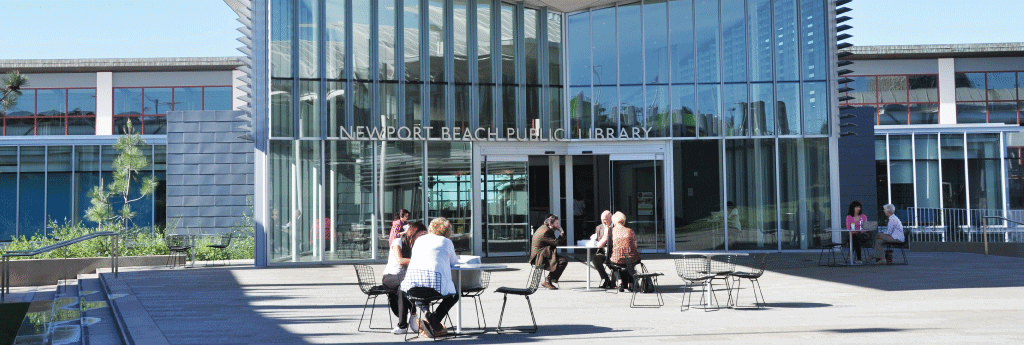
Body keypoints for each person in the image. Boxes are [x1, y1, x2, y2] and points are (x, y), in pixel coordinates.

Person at [401, 217, 459, 338]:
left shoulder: (419, 240)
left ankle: (426, 313)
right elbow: (454, 262)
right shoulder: (446, 242)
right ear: (447, 230)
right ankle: (435, 319)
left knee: (420, 290)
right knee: (454, 295)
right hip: (434, 287)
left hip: (412, 286)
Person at [381, 222, 427, 334]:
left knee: (402, 289)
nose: (422, 238)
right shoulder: (398, 242)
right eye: (420, 235)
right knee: (407, 283)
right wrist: (421, 261)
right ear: (414, 233)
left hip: (403, 280)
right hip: (390, 277)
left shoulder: (416, 246)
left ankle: (402, 325)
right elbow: (400, 261)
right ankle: (415, 313)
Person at [596, 211, 641, 292]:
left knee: (614, 264)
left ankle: (619, 282)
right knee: (630, 263)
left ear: (614, 221)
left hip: (616, 259)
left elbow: (599, 245)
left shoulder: (610, 231)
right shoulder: (630, 231)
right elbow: (635, 245)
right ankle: (630, 284)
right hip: (631, 258)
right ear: (623, 221)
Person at [529, 214, 568, 290]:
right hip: (539, 256)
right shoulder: (546, 232)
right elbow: (557, 243)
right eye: (556, 223)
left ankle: (549, 280)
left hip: (541, 253)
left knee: (560, 259)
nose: (558, 225)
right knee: (563, 261)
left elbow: (554, 242)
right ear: (550, 224)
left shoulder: (544, 228)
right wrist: (562, 232)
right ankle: (548, 280)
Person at [590, 210, 615, 289]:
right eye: (602, 220)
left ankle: (614, 282)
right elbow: (597, 240)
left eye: (606, 219)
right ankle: (605, 279)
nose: (604, 222)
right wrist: (594, 237)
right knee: (595, 259)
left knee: (614, 263)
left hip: (613, 252)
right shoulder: (599, 228)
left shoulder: (615, 227)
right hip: (602, 251)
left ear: (611, 218)